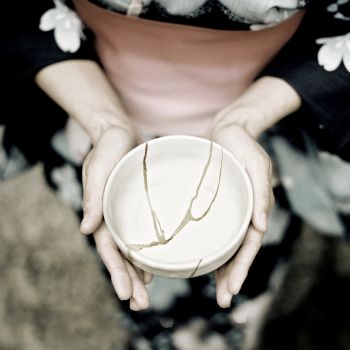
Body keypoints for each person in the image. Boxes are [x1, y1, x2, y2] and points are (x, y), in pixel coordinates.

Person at [3, 0, 350, 348]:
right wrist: (105, 121)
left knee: (248, 268)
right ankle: (159, 331)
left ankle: (232, 329)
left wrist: (245, 118)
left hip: (258, 134)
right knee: (140, 275)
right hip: (102, 121)